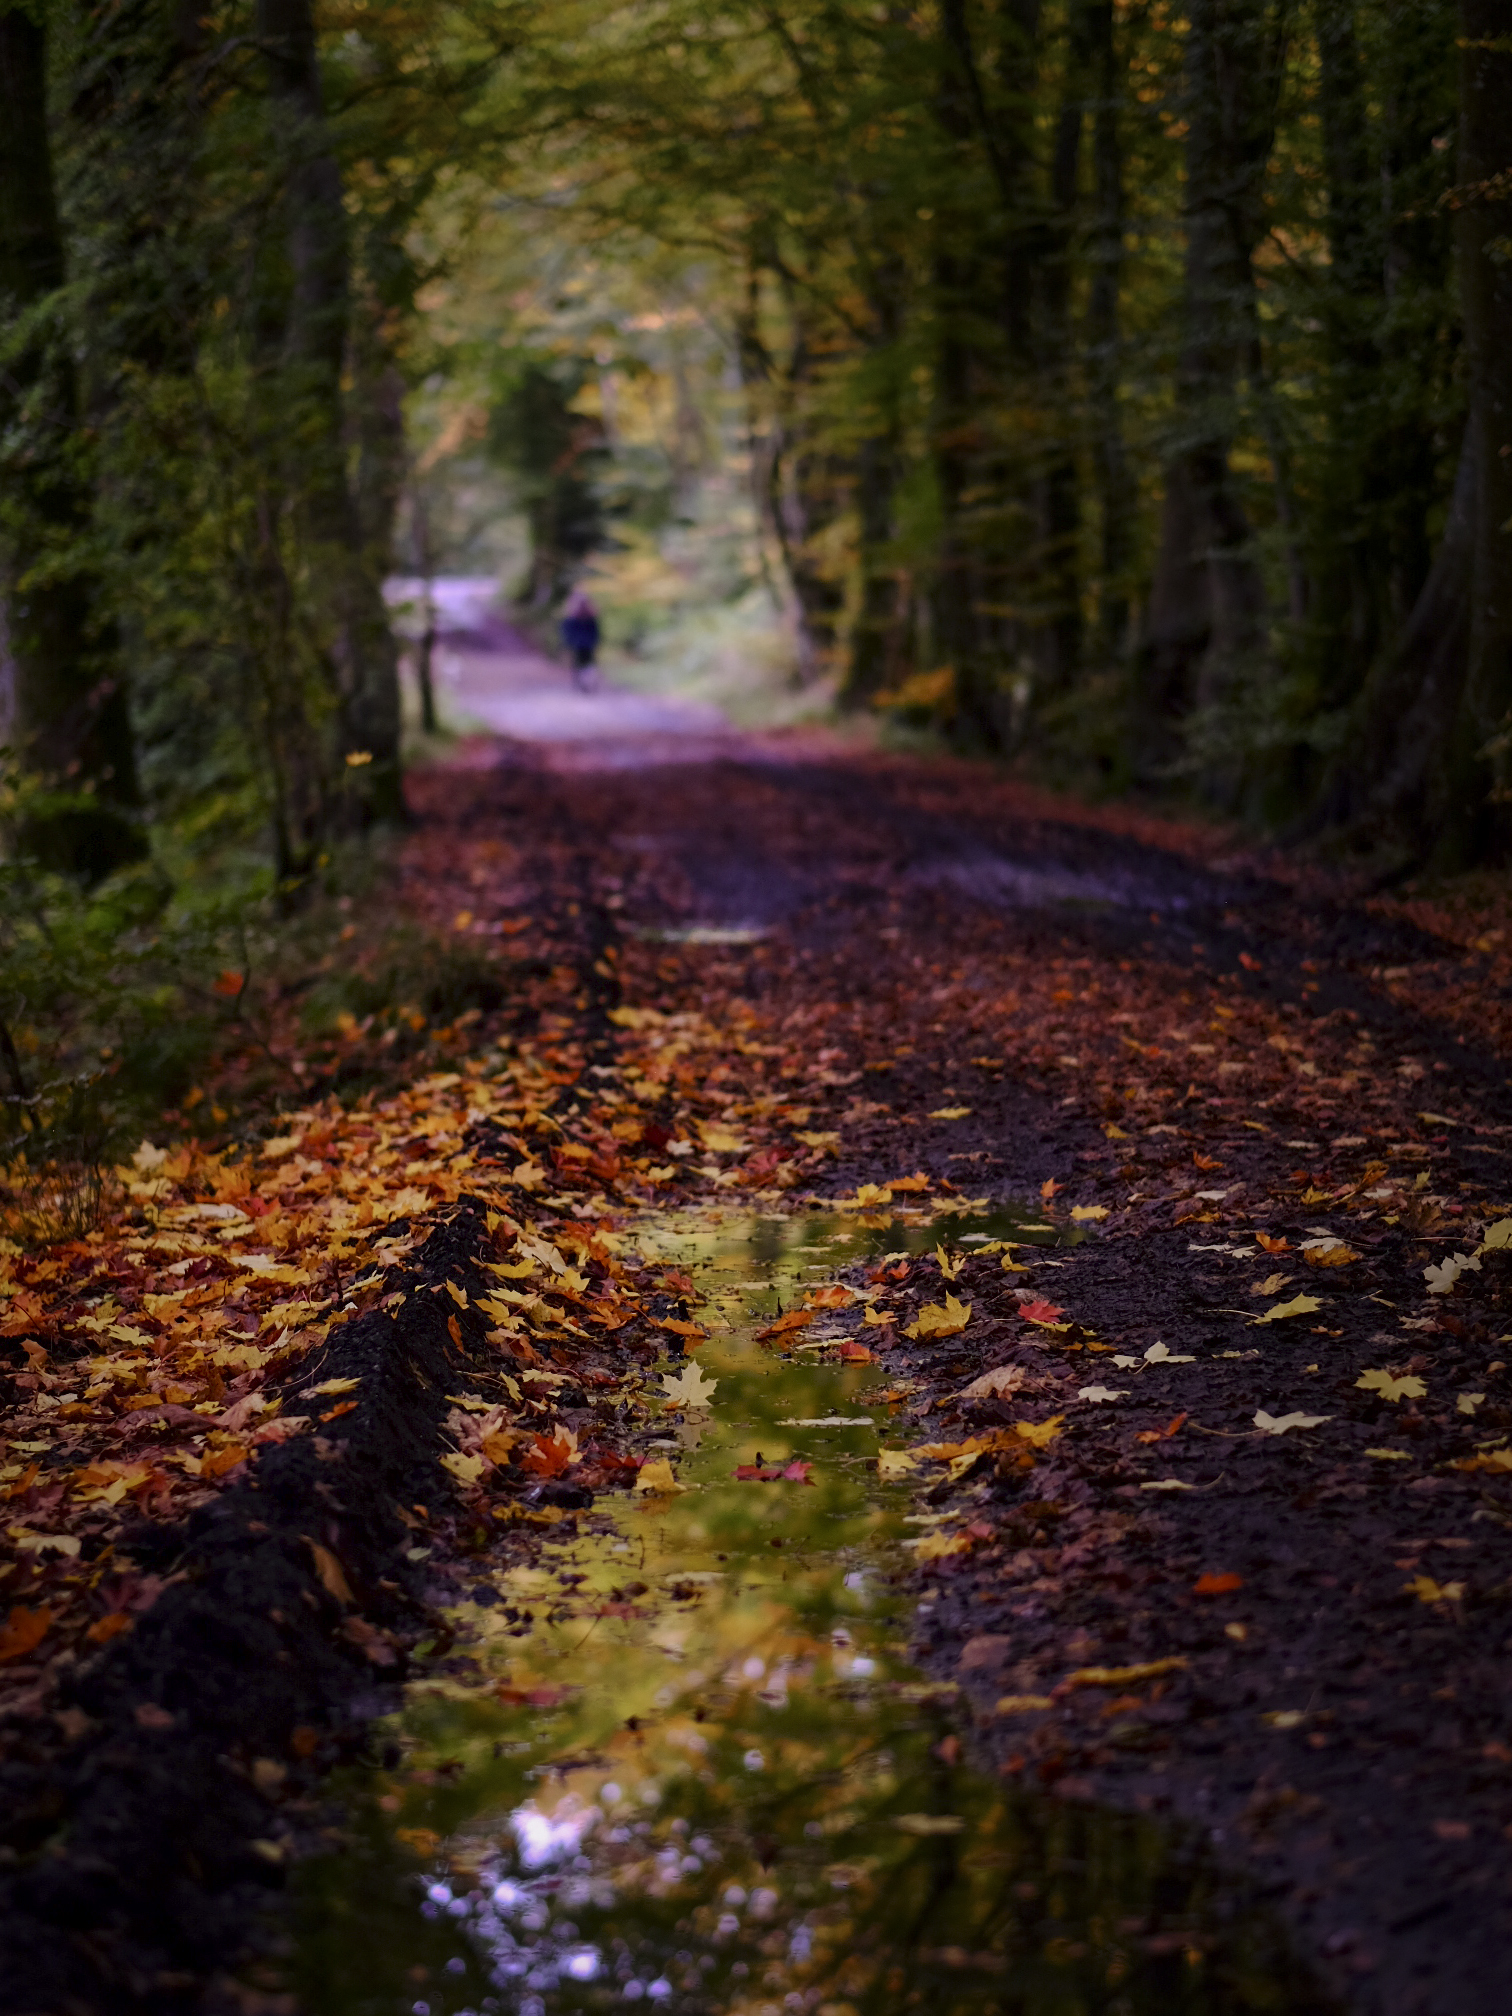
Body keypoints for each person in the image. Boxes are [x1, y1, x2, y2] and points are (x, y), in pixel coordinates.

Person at [560, 588, 601, 692]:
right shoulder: (590, 618)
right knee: (588, 665)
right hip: (587, 645)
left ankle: (583, 684)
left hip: (578, 645)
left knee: (579, 665)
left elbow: (567, 633)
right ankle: (587, 683)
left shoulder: (571, 618)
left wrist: (568, 644)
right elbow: (596, 632)